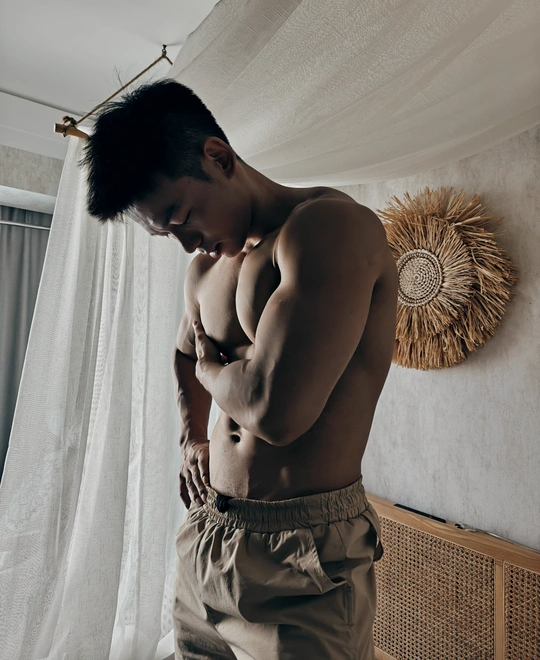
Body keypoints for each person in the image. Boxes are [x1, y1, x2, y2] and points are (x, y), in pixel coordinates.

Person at [82, 78, 397, 659]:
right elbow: (186, 352)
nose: (186, 244)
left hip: (304, 557)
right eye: (167, 233)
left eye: (181, 215)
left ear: (219, 158)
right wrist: (191, 437)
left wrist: (212, 374)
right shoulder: (206, 269)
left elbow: (276, 413)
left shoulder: (330, 229)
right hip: (210, 536)